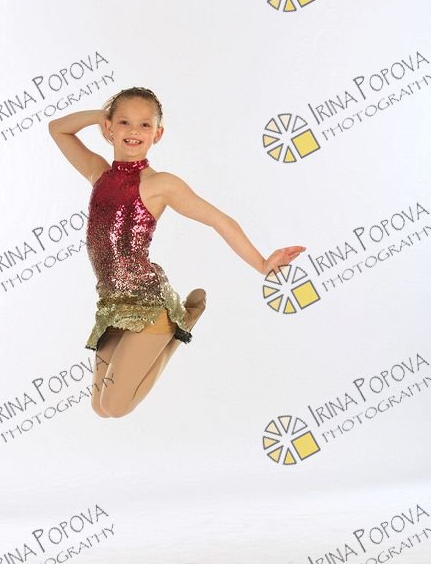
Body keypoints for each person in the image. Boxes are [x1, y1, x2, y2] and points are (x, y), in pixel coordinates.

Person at [48, 87, 305, 418]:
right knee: (99, 407)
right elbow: (58, 129)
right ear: (109, 128)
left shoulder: (160, 184)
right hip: (112, 303)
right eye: (124, 122)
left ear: (158, 134)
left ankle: (177, 325)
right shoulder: (98, 172)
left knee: (115, 405)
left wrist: (262, 263)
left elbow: (219, 220)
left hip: (148, 303)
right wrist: (100, 115)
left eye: (145, 124)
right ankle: (179, 321)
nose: (134, 131)